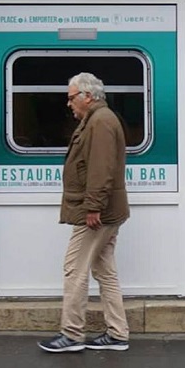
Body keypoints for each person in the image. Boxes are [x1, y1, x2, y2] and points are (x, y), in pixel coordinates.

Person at [38, 72, 130, 353]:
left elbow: (101, 169)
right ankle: (117, 333)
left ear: (87, 96)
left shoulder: (100, 122)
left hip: (97, 214)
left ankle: (72, 333)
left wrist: (93, 207)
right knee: (105, 271)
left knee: (74, 269)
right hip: (107, 211)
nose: (69, 104)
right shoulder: (98, 120)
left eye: (71, 98)